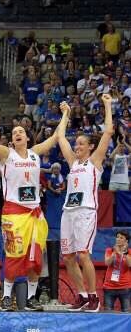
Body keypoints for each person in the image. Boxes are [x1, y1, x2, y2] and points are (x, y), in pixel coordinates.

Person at [0, 98, 63, 312]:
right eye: (14, 133)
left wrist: (65, 114)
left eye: (20, 131)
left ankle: (30, 298)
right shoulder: (6, 154)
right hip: (14, 214)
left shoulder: (36, 153)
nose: (17, 134)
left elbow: (57, 136)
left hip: (35, 215)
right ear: (12, 140)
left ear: (27, 137)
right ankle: (6, 297)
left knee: (36, 259)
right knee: (13, 256)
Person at [58, 96, 115, 312]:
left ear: (90, 146)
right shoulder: (73, 163)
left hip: (85, 212)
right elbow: (61, 136)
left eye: (81, 143)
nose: (77, 145)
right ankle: (81, 295)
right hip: (68, 212)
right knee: (69, 257)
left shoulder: (95, 161)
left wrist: (107, 105)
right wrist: (65, 114)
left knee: (83, 254)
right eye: (77, 143)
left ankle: (93, 297)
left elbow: (108, 131)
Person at [103, 231, 130, 312]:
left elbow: (130, 264)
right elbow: (107, 263)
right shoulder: (109, 250)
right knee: (108, 312)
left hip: (125, 287)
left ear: (126, 241)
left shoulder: (129, 252)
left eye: (121, 238)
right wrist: (115, 252)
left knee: (127, 313)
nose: (118, 239)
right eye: (117, 237)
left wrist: (124, 253)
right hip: (109, 287)